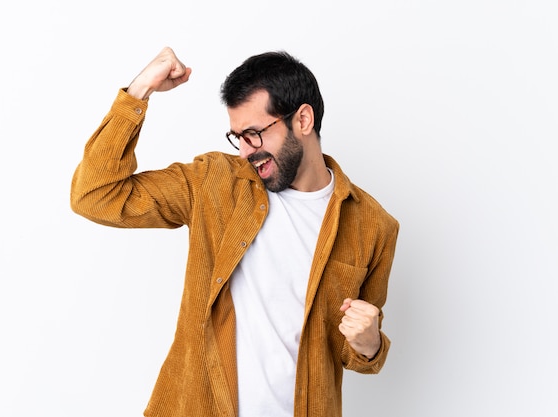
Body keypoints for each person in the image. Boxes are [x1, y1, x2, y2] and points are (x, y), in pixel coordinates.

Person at [71, 46, 399, 417]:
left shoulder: (373, 226)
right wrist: (138, 92)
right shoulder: (214, 182)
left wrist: (370, 343)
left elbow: (354, 352)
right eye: (238, 137)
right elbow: (95, 196)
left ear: (303, 120)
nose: (245, 152)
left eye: (254, 134)